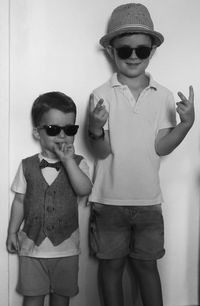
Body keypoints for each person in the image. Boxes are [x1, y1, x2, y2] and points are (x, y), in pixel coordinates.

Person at [87, 3, 194, 306]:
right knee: (111, 267)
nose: (133, 56)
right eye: (124, 50)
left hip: (149, 203)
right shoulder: (100, 95)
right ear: (111, 51)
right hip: (109, 202)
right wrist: (95, 127)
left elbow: (161, 147)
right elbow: (101, 151)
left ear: (152, 51)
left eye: (141, 50)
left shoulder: (164, 96)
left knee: (147, 267)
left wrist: (185, 125)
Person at [6, 91, 92, 306]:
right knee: (32, 299)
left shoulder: (79, 163)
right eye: (54, 130)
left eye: (69, 129)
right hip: (32, 248)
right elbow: (19, 201)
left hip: (67, 249)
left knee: (61, 300)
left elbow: (84, 189)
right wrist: (12, 231)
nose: (62, 136)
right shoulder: (27, 165)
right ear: (37, 133)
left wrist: (68, 161)